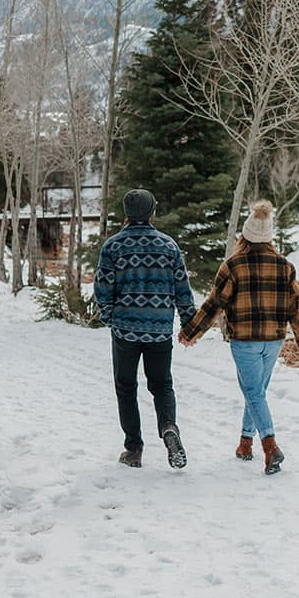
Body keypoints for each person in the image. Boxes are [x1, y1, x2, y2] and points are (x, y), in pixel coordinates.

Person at [178, 200, 299, 475]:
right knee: (257, 393)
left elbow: (214, 305)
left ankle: (270, 446)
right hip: (274, 340)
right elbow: (295, 308)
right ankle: (244, 444)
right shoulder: (285, 266)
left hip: (245, 342)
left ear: (245, 236)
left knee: (253, 393)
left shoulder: (233, 265)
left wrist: (191, 332)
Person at [94, 188, 195, 470]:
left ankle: (134, 448)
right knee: (162, 385)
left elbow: (102, 288)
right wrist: (189, 323)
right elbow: (182, 289)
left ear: (127, 214)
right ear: (152, 212)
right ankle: (168, 428)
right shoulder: (169, 246)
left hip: (125, 329)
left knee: (126, 387)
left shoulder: (112, 247)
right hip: (160, 329)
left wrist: (109, 316)